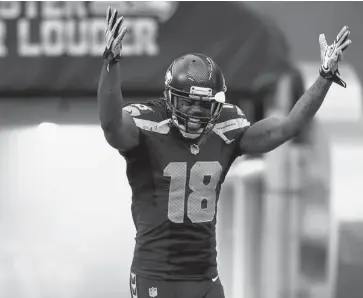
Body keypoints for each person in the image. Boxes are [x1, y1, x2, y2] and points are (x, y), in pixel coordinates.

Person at [97, 7, 351, 298]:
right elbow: (111, 125)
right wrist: (111, 62)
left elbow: (288, 127)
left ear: (217, 105)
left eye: (204, 106)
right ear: (169, 99)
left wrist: (324, 77)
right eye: (188, 103)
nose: (195, 112)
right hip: (156, 274)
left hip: (205, 276)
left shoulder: (226, 128)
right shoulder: (148, 124)